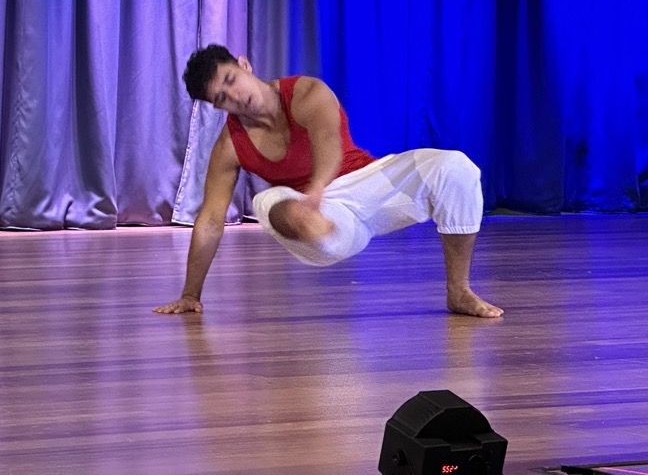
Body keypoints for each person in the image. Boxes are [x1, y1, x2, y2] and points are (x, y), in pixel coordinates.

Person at [153, 44, 502, 318]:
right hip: (327, 218)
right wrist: (190, 294)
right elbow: (211, 220)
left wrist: (318, 187)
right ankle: (314, 227)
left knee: (455, 167)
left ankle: (459, 291)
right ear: (217, 107)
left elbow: (328, 140)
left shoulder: (306, 91)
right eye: (221, 98)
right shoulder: (229, 145)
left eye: (231, 80)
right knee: (267, 202)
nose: (235, 96)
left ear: (244, 65)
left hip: (369, 184)